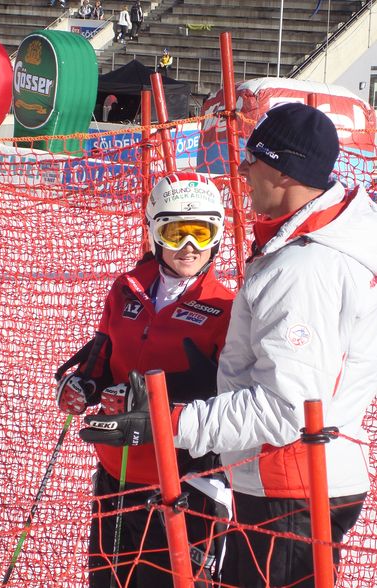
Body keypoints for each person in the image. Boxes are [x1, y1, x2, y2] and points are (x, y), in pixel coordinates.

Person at [80, 103, 377, 587]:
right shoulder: (307, 245)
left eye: (254, 159)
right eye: (176, 233)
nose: (243, 170)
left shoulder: (304, 269)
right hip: (276, 476)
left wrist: (166, 420)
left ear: (283, 169)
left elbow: (287, 407)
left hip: (289, 481)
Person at [58, 172, 235, 586]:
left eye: (201, 233)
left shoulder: (224, 307)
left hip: (182, 482)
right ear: (155, 233)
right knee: (107, 580)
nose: (189, 247)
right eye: (175, 233)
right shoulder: (127, 288)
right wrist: (83, 385)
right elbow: (103, 354)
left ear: (217, 235)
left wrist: (148, 402)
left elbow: (228, 397)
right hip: (116, 470)